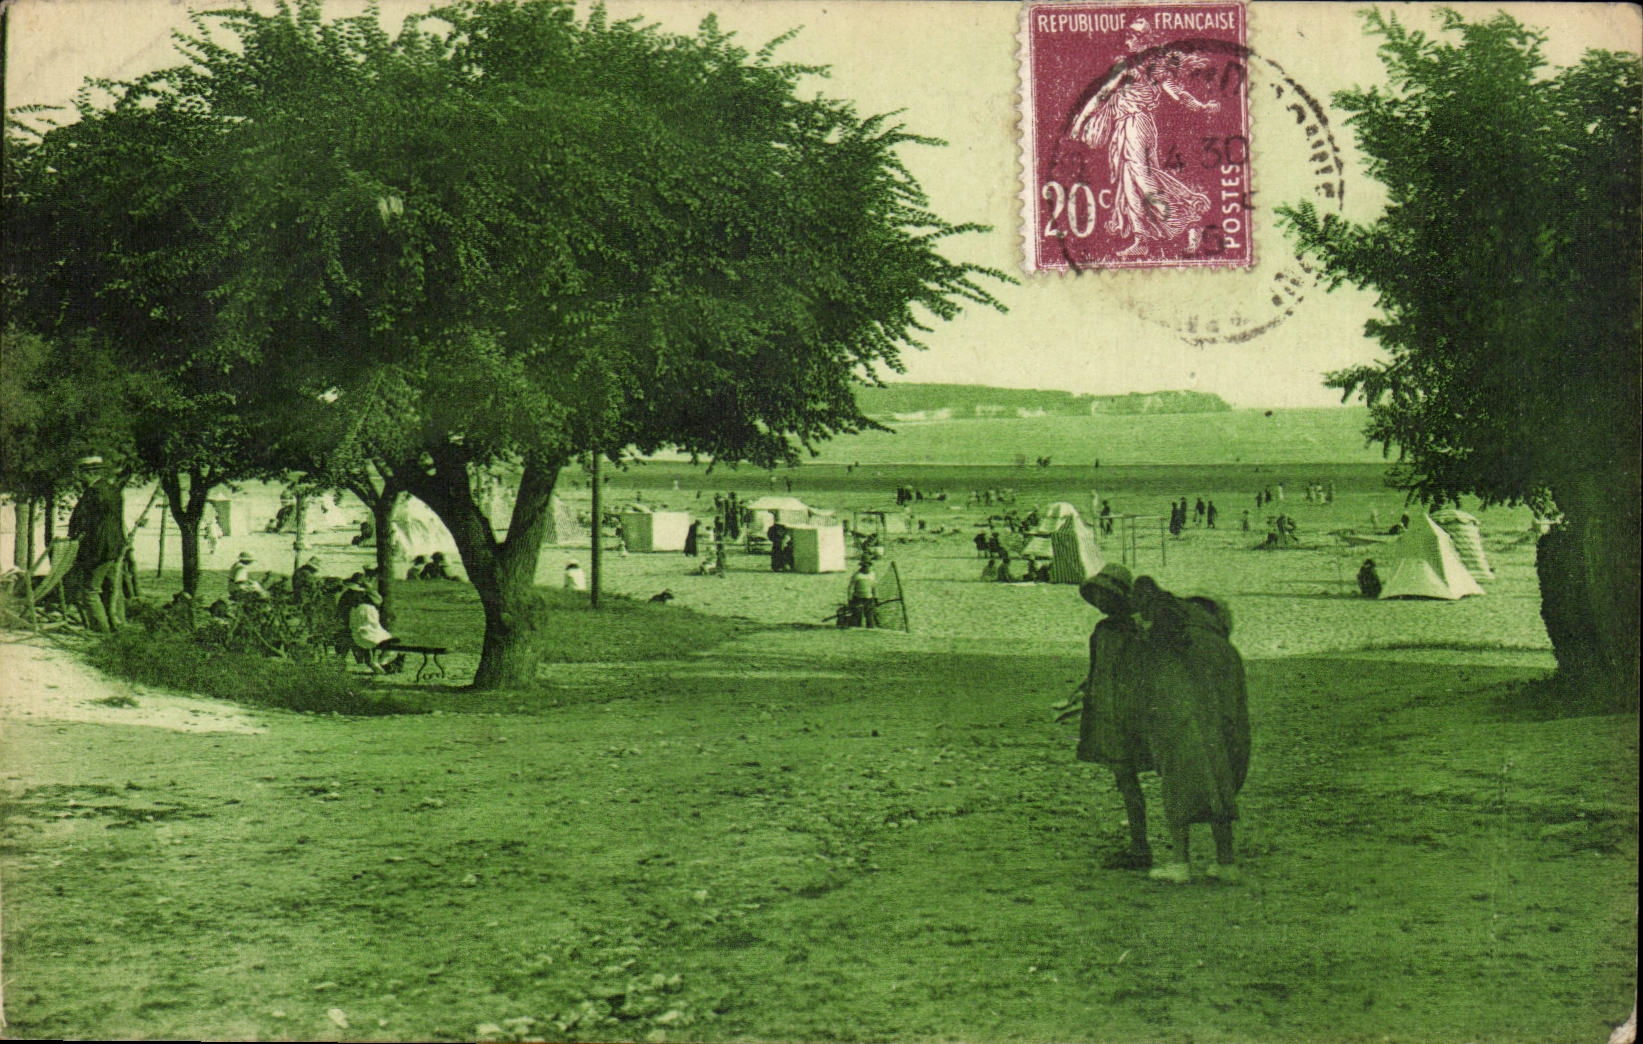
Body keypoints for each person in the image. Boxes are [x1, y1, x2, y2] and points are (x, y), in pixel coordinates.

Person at [1129, 575, 1251, 883]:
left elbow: (1153, 693)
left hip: (1178, 729)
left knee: (1177, 791)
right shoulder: (1224, 649)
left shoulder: (1169, 641)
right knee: (1219, 794)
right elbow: (1237, 703)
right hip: (1218, 734)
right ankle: (1226, 862)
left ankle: (1180, 862)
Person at [1067, 19, 1219, 257]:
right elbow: (1177, 94)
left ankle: (1188, 221)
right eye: (1128, 34)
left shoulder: (1133, 68)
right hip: (1134, 126)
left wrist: (1078, 123)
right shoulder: (1151, 68)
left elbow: (1102, 96)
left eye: (1133, 35)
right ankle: (1141, 240)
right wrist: (1202, 106)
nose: (1128, 38)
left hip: (1134, 125)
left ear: (1142, 41)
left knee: (1143, 180)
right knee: (1131, 183)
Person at [1075, 565, 1154, 869]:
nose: (1101, 601)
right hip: (1111, 714)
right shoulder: (1110, 631)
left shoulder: (1127, 633)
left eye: (1106, 596)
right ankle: (1140, 844)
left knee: (1127, 779)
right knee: (1125, 779)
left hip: (1124, 717)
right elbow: (1096, 672)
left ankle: (1141, 846)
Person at [349, 584, 399, 674]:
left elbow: (352, 623)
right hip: (368, 635)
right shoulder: (370, 609)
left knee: (384, 641)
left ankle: (376, 663)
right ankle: (380, 662)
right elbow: (373, 624)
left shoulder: (355, 608)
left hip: (358, 635)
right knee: (390, 643)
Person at [842, 559, 878, 628]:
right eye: (865, 566)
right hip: (858, 598)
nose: (867, 568)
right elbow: (851, 587)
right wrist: (850, 599)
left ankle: (870, 630)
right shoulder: (857, 575)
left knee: (869, 616)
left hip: (868, 598)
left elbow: (873, 586)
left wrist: (875, 597)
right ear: (862, 566)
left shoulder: (872, 574)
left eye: (869, 566)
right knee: (857, 615)